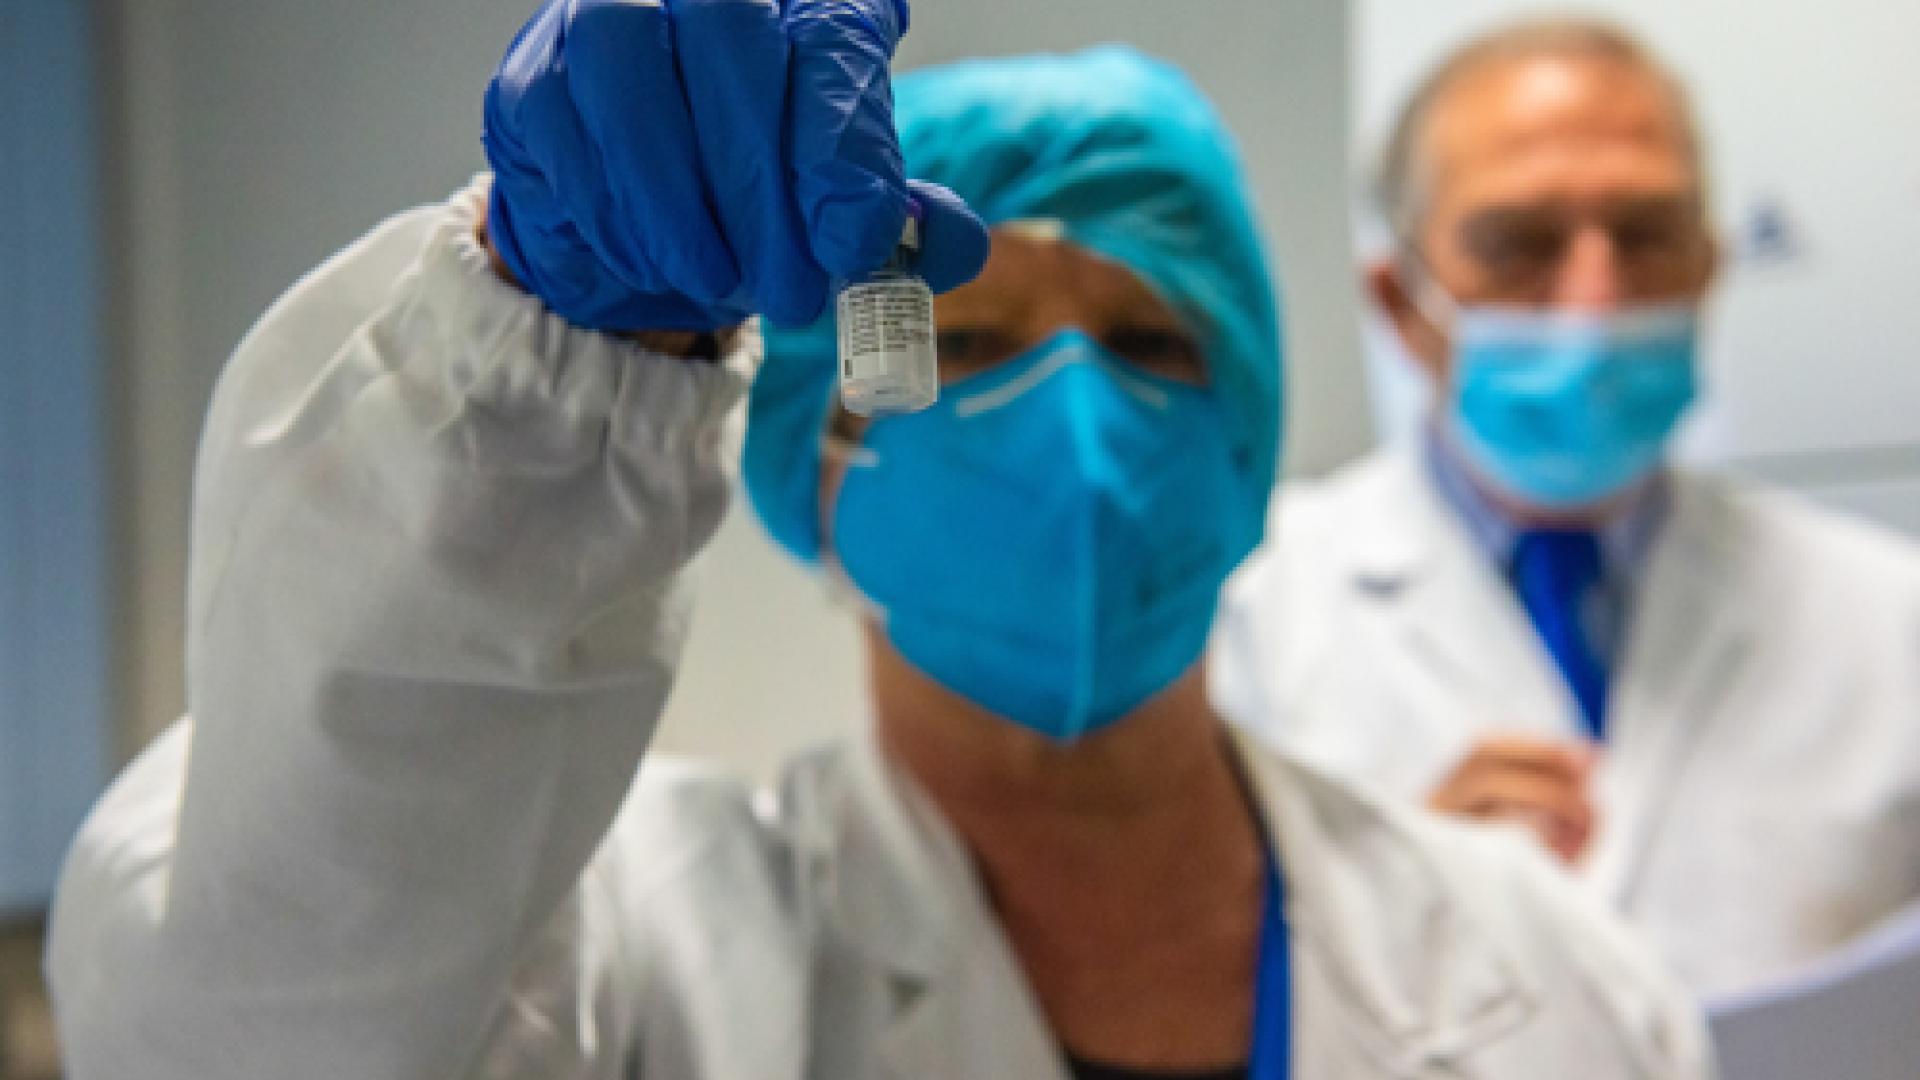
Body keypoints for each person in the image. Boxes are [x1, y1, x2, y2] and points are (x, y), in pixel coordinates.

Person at [46, 4, 1711, 1078]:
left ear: (1250, 431)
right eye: (967, 346)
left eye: (1150, 342)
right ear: (812, 458)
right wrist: (542, 355)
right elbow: (253, 1009)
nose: (1075, 413)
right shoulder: (627, 954)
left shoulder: (1568, 983)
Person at [1211, 16, 1920, 1000]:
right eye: (1520, 244)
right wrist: (1377, 907)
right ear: (1400, 301)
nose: (1595, 299)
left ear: (1709, 268)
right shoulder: (1250, 619)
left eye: (1646, 235)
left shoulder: (1890, 618)